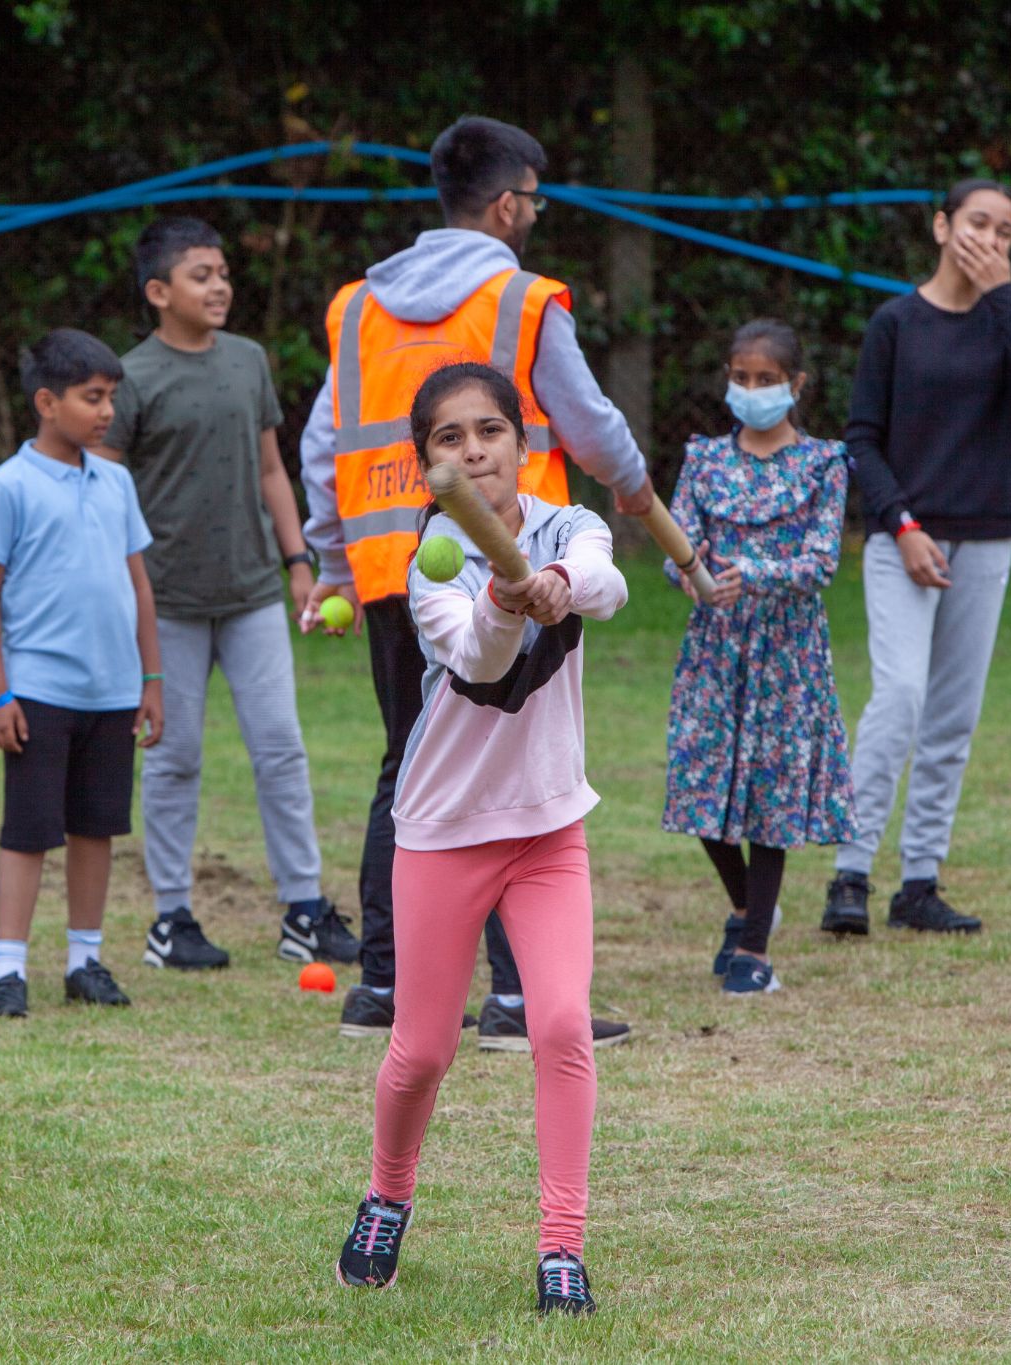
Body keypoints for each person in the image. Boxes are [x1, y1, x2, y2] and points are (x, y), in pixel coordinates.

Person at [300, 115, 648, 1049]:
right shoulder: (524, 298)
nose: (533, 214)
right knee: (510, 756)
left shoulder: (357, 307)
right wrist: (639, 494)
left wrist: (332, 563)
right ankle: (514, 999)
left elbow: (322, 443)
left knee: (406, 760)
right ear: (507, 203)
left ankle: (384, 985)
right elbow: (590, 421)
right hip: (509, 560)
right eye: (533, 199)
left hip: (387, 560)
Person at [333, 363, 625, 1315]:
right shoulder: (430, 563)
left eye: (488, 430)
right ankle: (388, 1193)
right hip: (443, 830)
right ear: (426, 466)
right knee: (420, 1052)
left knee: (562, 1026)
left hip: (547, 828)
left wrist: (557, 583)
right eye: (448, 439)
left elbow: (608, 579)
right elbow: (478, 660)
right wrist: (509, 600)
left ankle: (562, 1248)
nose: (472, 450)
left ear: (522, 444)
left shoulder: (564, 521)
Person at [97, 217, 355, 973]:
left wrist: (298, 560)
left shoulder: (247, 361)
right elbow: (107, 489)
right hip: (166, 601)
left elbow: (273, 470)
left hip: (251, 595)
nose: (219, 286)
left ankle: (304, 908)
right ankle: (171, 917)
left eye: (223, 272)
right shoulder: (132, 376)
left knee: (281, 747)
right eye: (200, 275)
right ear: (157, 292)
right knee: (174, 758)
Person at [822, 178, 1011, 936]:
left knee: (953, 715)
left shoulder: (1006, 321)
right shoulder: (895, 322)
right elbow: (862, 437)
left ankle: (918, 881)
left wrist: (1006, 299)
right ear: (940, 226)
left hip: (985, 537)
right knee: (899, 697)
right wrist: (901, 524)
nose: (989, 240)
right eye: (977, 223)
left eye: (1005, 231)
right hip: (906, 541)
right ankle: (850, 874)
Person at [0, 330, 163, 1016]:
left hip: (112, 693)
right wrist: (0, 693)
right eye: (92, 397)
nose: (107, 410)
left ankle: (85, 959)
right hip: (39, 692)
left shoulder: (116, 481)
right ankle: (8, 968)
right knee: (28, 831)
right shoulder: (7, 486)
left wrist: (151, 681)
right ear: (47, 402)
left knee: (96, 827)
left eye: (111, 397)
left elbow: (137, 584)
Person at [663, 320, 855, 995]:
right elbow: (677, 540)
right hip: (715, 650)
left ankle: (753, 948)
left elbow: (821, 560)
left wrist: (753, 571)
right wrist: (683, 571)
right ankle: (747, 905)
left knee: (770, 794)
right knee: (697, 780)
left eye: (765, 379)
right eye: (740, 377)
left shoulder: (824, 464)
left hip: (787, 655)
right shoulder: (704, 459)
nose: (750, 390)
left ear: (795, 385)